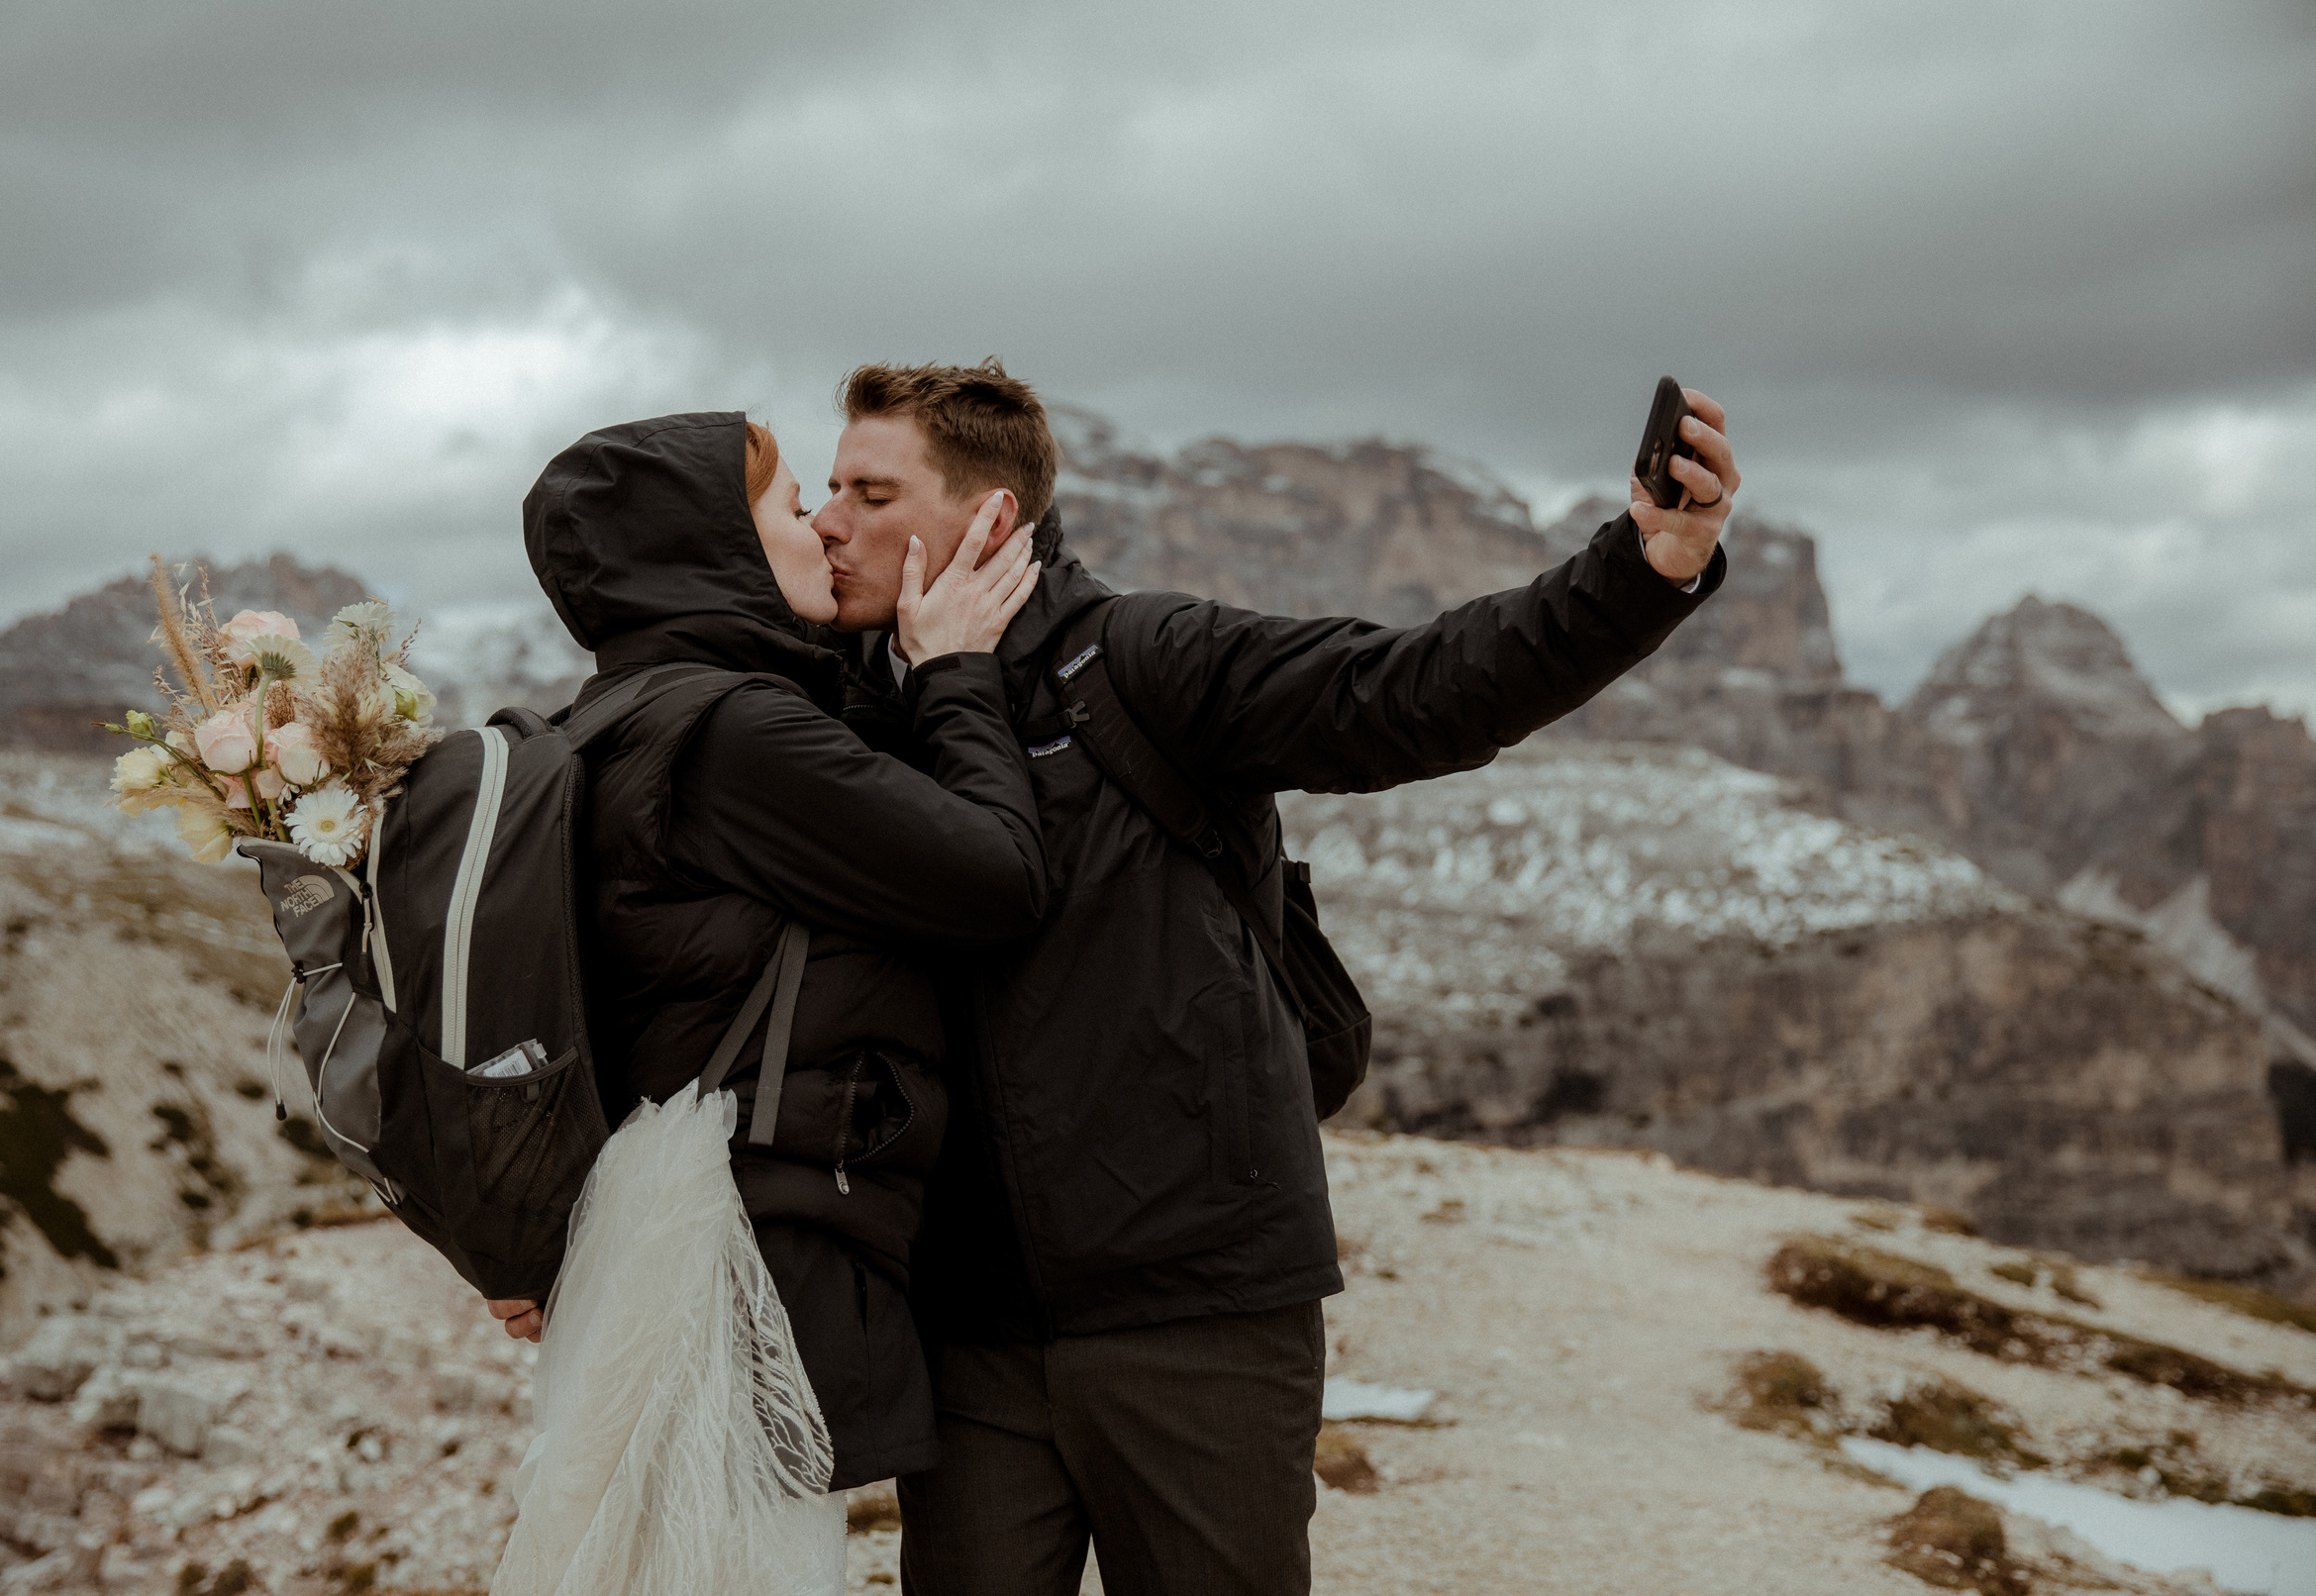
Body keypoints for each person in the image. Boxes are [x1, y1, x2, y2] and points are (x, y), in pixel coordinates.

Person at [812, 360, 1739, 1596]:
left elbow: (1409, 690)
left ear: (988, 519)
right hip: (972, 1332)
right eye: (829, 491)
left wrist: (1645, 567)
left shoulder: (1140, 660)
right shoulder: (853, 721)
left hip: (1197, 1312)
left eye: (870, 493)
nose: (830, 523)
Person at [487, 411, 1048, 1506]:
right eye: (794, 510)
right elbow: (996, 880)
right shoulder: (735, 736)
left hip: (660, 1235)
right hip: (746, 1247)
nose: (827, 532)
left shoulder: (611, 717)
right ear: (715, 549)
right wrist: (955, 675)